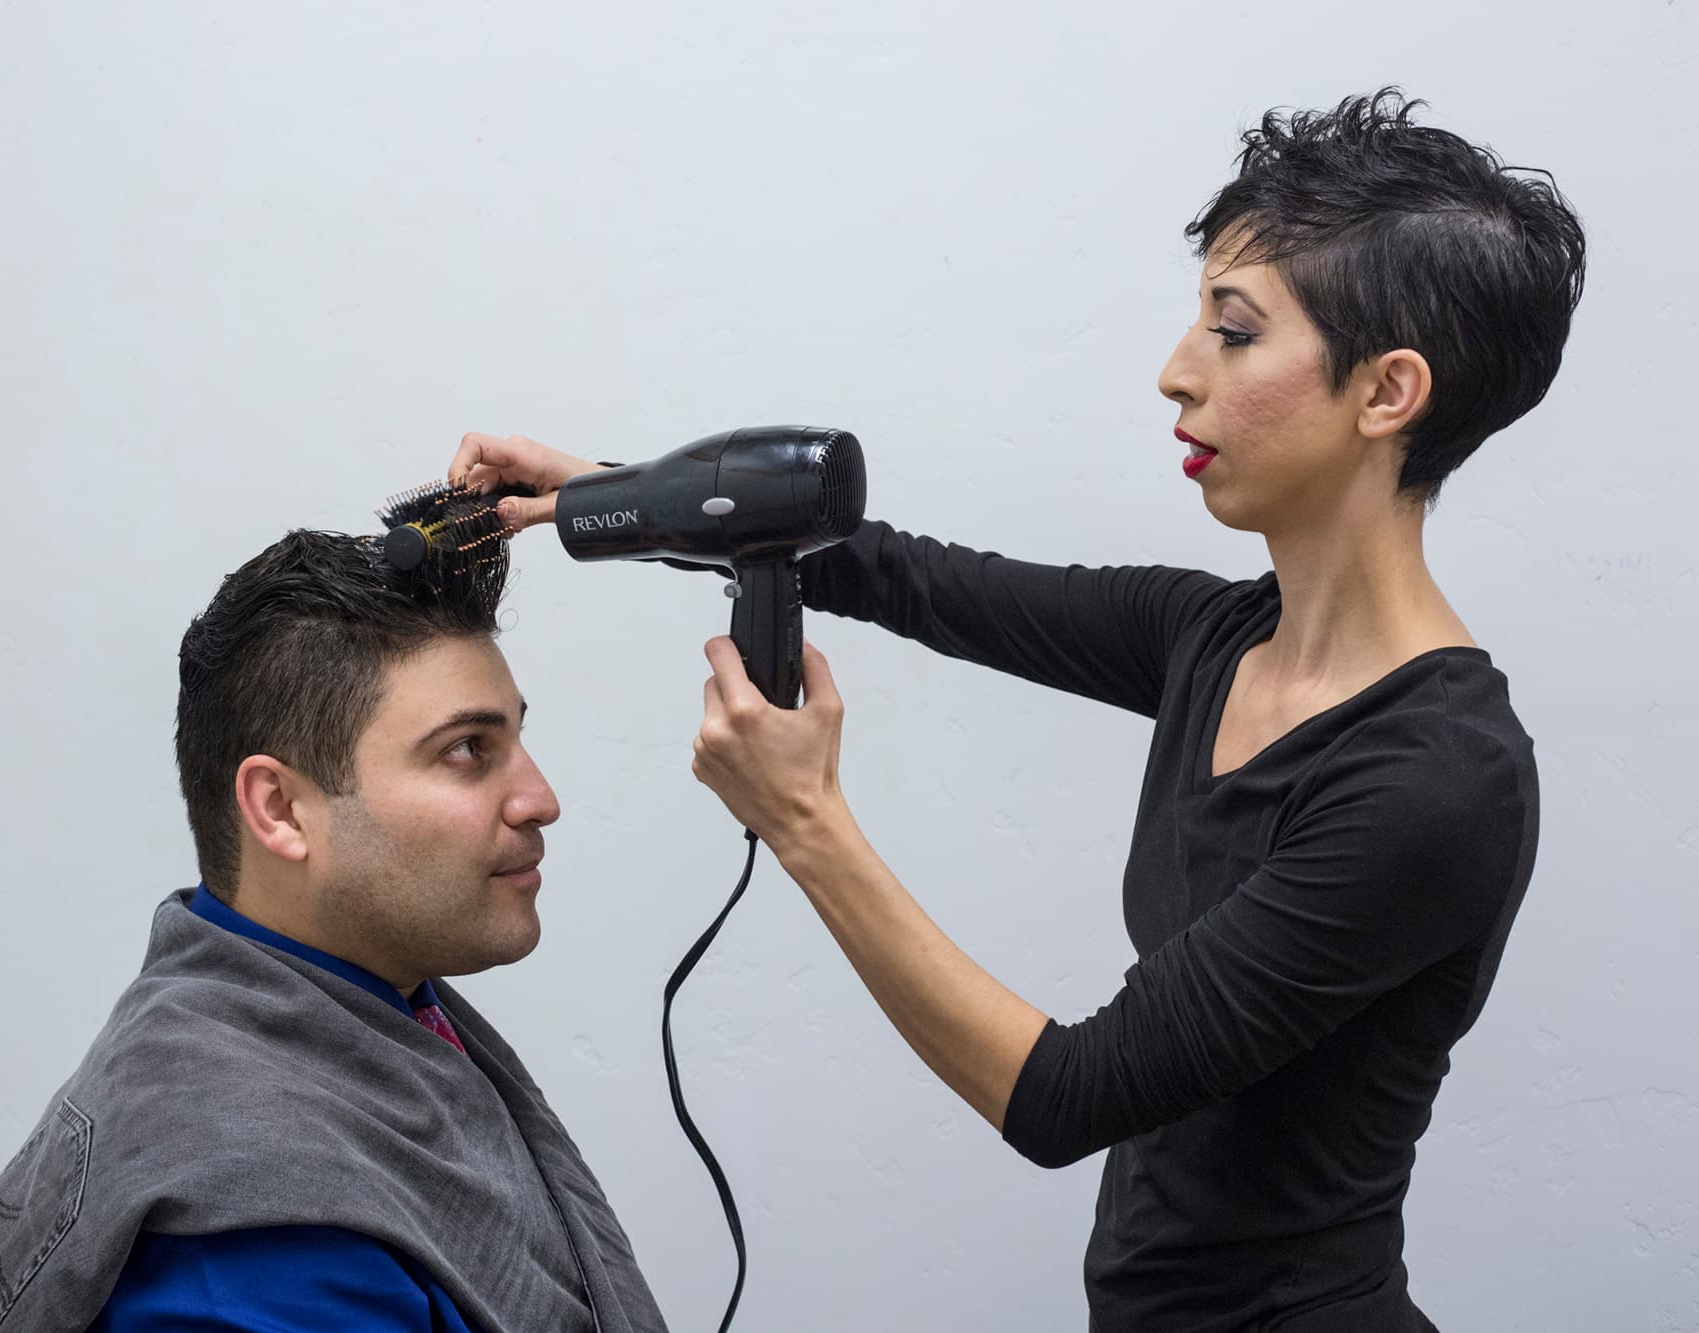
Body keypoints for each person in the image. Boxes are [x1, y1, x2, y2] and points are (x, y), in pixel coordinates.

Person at [449, 90, 1585, 1330]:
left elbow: (1065, 1096)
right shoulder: (1212, 637)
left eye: (1234, 331)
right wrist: (607, 494)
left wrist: (804, 821)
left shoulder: (1437, 782)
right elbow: (891, 570)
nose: (1175, 372)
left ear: (1386, 392)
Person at [0, 529, 667, 1333]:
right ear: (279, 808)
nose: (539, 797)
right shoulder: (267, 1248)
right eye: (467, 750)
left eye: (516, 738)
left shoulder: (368, 1002)